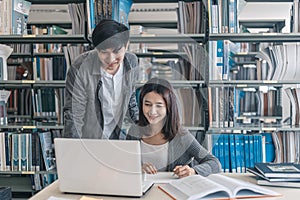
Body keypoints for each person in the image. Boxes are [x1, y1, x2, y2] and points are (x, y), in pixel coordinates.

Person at [127, 78, 222, 178]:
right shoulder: (134, 131)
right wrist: (137, 168)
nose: (152, 111)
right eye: (147, 104)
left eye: (159, 106)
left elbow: (215, 163)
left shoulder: (181, 135)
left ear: (168, 107)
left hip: (171, 190)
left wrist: (193, 171)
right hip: (141, 190)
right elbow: (124, 164)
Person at [63, 19, 139, 139]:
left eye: (116, 51)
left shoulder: (131, 62)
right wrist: (73, 150)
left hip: (118, 139)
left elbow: (131, 100)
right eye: (104, 52)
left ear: (126, 45)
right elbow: (74, 114)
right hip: (89, 141)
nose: (111, 59)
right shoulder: (80, 67)